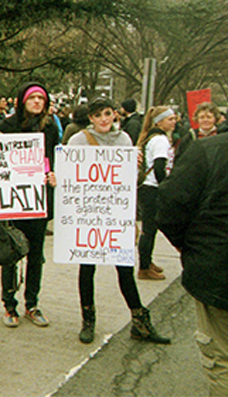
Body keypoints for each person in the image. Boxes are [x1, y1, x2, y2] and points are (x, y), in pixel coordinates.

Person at [67, 96, 170, 345]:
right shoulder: (78, 140)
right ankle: (88, 320)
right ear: (90, 118)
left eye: (108, 113)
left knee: (124, 269)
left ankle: (140, 321)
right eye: (98, 114)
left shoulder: (124, 139)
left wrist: (134, 166)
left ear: (115, 115)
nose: (104, 119)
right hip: (89, 215)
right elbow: (68, 175)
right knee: (87, 269)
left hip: (115, 216)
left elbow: (129, 183)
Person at [156, 133, 228, 396]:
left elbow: (169, 206)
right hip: (216, 268)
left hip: (217, 272)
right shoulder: (208, 150)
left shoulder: (209, 150)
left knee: (222, 360)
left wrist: (188, 245)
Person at [0, 82, 58, 327]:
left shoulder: (51, 127)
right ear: (23, 101)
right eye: (32, 98)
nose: (36, 102)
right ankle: (9, 305)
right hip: (13, 200)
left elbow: (52, 158)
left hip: (38, 200)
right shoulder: (6, 126)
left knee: (36, 255)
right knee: (10, 252)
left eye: (40, 99)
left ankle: (31, 303)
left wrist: (53, 175)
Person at [136, 106, 176, 280]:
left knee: (150, 228)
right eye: (170, 119)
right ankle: (144, 268)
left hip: (146, 186)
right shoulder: (160, 140)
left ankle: (147, 260)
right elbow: (160, 167)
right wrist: (166, 187)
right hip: (152, 187)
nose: (174, 122)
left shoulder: (151, 137)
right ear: (159, 121)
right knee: (149, 229)